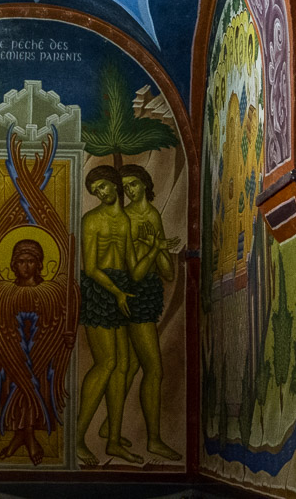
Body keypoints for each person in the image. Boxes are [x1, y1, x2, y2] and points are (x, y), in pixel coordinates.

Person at [76, 165, 163, 466]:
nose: (100, 193)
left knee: (123, 366)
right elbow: (90, 268)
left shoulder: (124, 220)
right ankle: (77, 438)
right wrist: (117, 292)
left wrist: (154, 250)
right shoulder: (91, 220)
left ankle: (113, 440)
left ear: (114, 184)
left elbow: (133, 270)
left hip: (121, 290)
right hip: (101, 292)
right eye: (95, 190)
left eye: (103, 186)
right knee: (107, 363)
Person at [0, 238, 74, 465]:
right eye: (20, 261)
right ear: (13, 264)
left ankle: (25, 434)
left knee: (34, 382)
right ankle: (24, 434)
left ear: (39, 264)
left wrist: (67, 339)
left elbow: (59, 325)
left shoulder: (51, 292)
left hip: (40, 353)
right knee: (16, 383)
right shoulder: (3, 292)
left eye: (30, 261)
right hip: (13, 351)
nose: (25, 266)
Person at [105, 165, 181, 461]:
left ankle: (107, 426)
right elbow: (135, 273)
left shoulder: (153, 216)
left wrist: (157, 248)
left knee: (135, 364)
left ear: (146, 184)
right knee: (154, 369)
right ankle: (154, 440)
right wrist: (154, 249)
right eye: (125, 187)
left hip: (147, 295)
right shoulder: (126, 219)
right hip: (133, 295)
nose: (130, 191)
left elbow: (167, 272)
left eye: (134, 184)